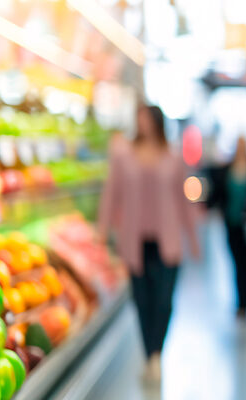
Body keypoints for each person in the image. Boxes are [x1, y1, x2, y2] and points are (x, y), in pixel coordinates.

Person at [99, 105, 199, 380]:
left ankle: (156, 352)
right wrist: (103, 229)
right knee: (142, 300)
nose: (141, 124)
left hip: (167, 241)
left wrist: (194, 238)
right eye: (138, 118)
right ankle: (150, 355)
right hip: (135, 242)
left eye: (145, 118)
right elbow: (112, 194)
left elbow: (183, 201)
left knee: (164, 301)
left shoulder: (173, 157)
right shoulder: (124, 156)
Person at [205, 136, 246, 317]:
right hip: (232, 224)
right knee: (236, 262)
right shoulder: (227, 170)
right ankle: (241, 300)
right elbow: (217, 194)